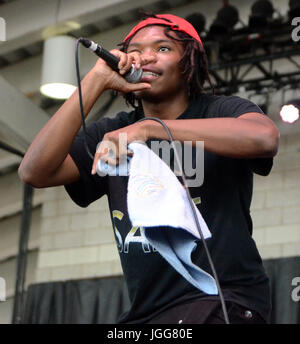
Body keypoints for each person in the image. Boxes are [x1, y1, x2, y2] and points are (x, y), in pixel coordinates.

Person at [18, 13, 280, 324]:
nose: (146, 57)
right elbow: (34, 171)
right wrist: (97, 79)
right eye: (136, 51)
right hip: (147, 314)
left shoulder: (221, 109)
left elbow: (264, 138)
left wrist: (150, 129)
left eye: (163, 48)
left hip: (222, 300)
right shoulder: (113, 130)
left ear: (189, 63)